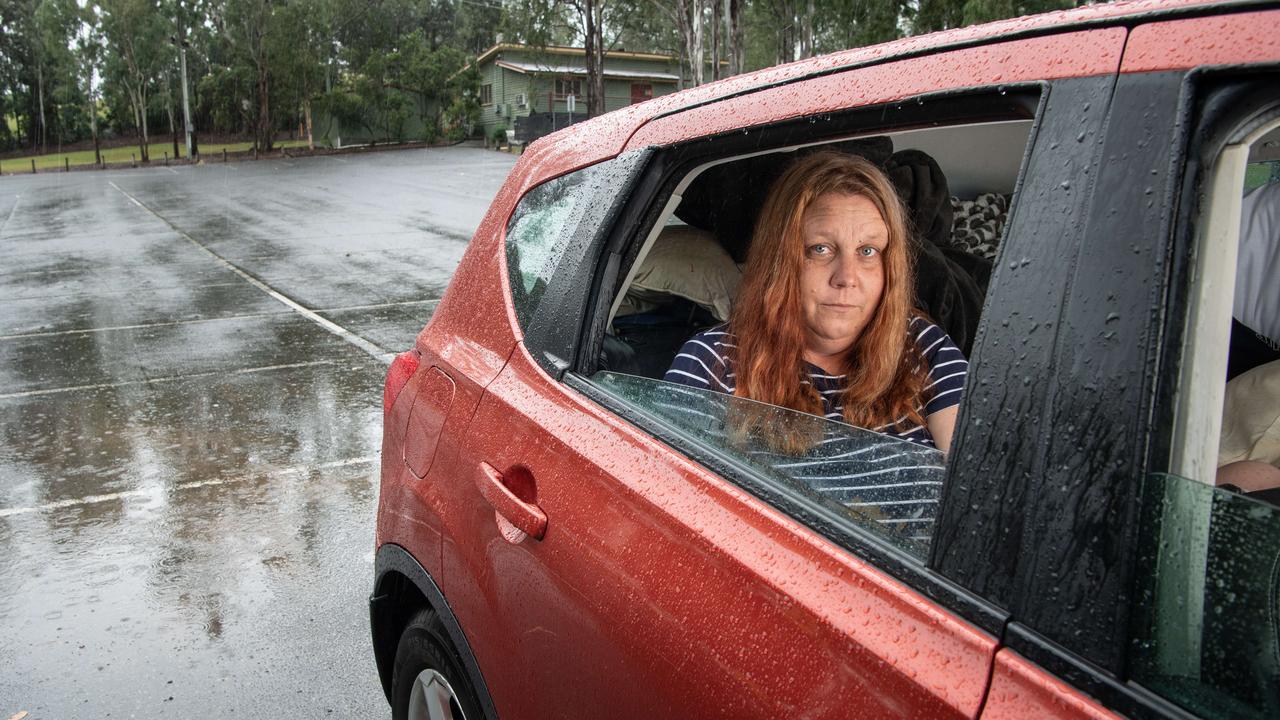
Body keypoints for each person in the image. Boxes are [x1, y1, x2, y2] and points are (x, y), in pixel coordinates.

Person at [664, 151, 966, 452]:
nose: (847, 277)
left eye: (868, 251)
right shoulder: (709, 363)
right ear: (781, 262)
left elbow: (975, 478)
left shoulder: (923, 346)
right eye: (820, 249)